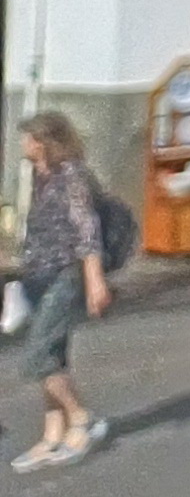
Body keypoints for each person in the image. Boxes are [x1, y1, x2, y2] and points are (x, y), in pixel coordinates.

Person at [13, 115, 112, 472]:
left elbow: (87, 230)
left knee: (38, 355)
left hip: (65, 274)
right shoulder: (38, 175)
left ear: (43, 142)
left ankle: (82, 418)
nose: (23, 144)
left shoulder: (71, 174)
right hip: (38, 274)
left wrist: (95, 280)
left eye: (28, 138)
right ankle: (52, 434)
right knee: (53, 356)